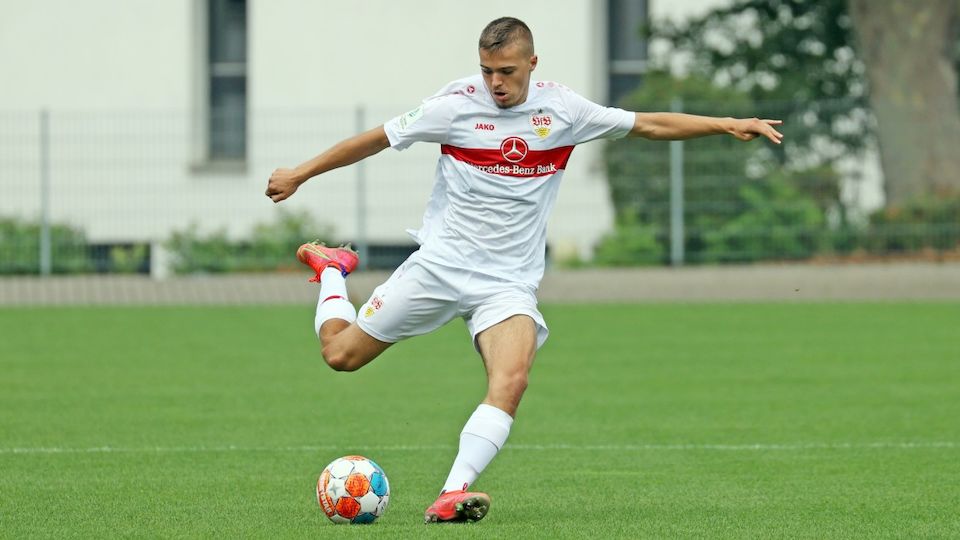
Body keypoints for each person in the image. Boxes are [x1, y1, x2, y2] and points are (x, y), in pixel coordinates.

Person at [265, 16, 783, 523]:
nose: (496, 83)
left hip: (507, 285)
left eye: (508, 71)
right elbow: (377, 138)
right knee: (341, 355)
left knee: (511, 380)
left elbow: (646, 123)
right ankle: (333, 269)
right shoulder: (454, 108)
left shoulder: (562, 111)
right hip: (439, 269)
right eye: (488, 70)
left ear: (532, 63)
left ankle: (452, 493)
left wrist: (725, 123)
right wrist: (301, 174)